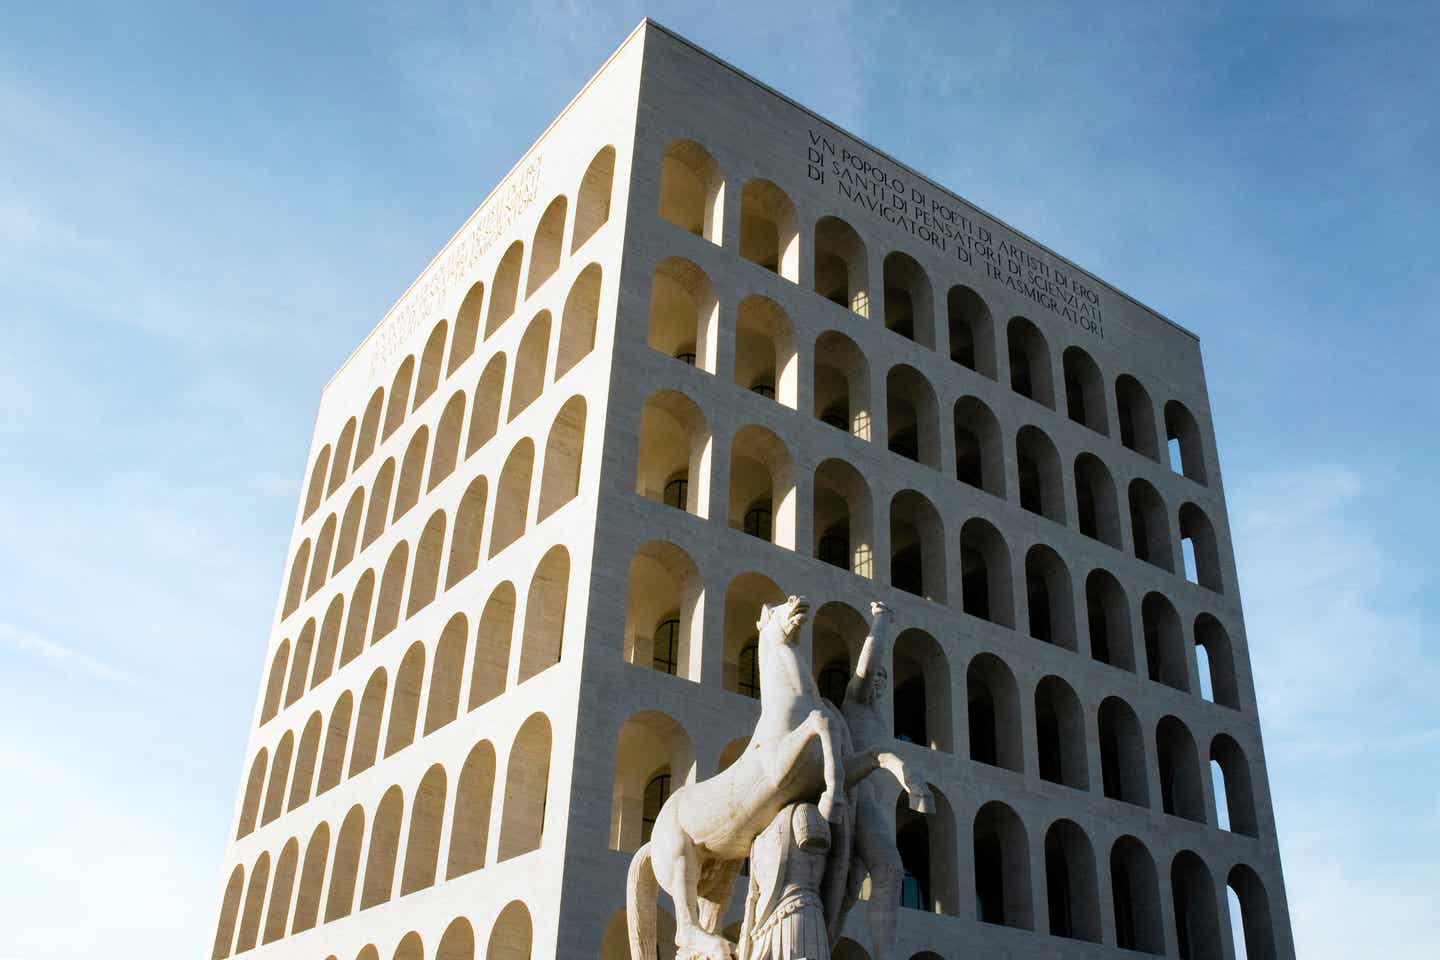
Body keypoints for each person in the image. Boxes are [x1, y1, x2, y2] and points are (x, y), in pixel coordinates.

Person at [840, 601, 932, 960]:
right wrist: (882, 621)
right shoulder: (856, 702)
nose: (877, 681)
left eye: (883, 679)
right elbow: (868, 663)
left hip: (873, 806)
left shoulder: (878, 719)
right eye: (874, 677)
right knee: (890, 868)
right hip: (858, 796)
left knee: (849, 891)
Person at [738, 802, 833, 960]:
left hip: (797, 913)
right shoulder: (758, 839)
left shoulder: (804, 812)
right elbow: (752, 895)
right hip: (763, 923)